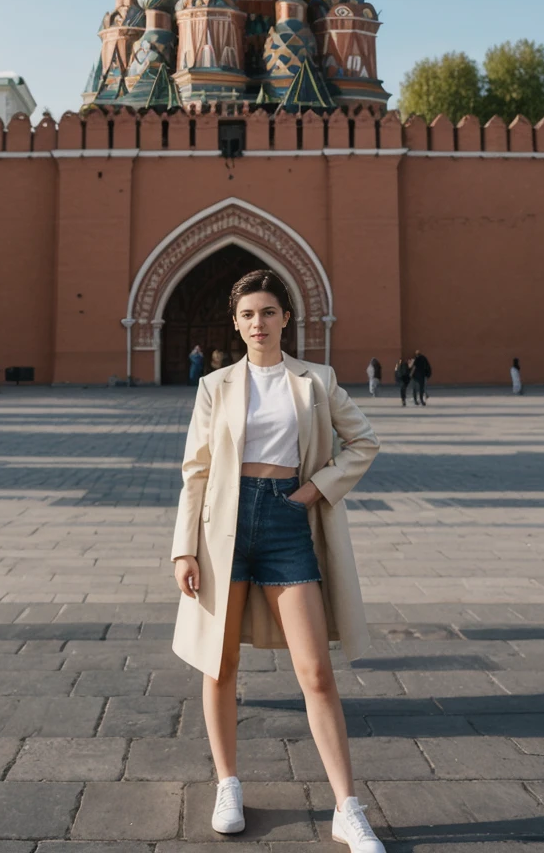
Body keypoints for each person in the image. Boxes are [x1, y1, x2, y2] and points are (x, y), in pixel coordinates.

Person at [171, 268, 384, 852]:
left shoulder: (316, 380)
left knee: (316, 672)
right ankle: (228, 784)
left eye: (267, 312)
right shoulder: (214, 385)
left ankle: (347, 807)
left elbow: (364, 440)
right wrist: (183, 548)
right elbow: (196, 470)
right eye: (246, 315)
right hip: (225, 528)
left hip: (289, 521)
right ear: (235, 324)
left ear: (286, 318)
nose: (257, 324)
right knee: (220, 665)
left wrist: (316, 488)